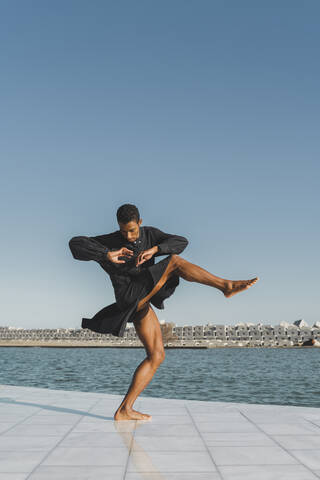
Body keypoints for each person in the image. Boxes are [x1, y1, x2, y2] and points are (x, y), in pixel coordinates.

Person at [69, 203, 258, 421]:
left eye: (132, 230)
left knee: (157, 355)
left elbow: (181, 242)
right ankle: (226, 286)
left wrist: (156, 249)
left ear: (140, 222)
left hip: (143, 300)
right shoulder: (111, 241)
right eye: (123, 231)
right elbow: (75, 244)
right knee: (175, 263)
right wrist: (106, 254)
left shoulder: (150, 235)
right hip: (128, 297)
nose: (128, 236)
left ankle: (124, 409)